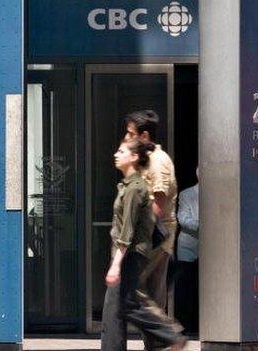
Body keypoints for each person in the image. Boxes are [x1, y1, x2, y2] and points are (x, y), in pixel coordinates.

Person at [101, 137, 186, 351]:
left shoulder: (134, 188)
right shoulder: (128, 185)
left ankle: (169, 335)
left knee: (129, 304)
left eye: (121, 152)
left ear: (134, 157)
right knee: (126, 304)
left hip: (131, 253)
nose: (116, 155)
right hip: (131, 252)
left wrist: (115, 264)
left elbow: (127, 230)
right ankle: (168, 336)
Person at [123, 110, 178, 310]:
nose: (126, 138)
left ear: (144, 136)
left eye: (130, 134)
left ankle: (164, 335)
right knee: (146, 289)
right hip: (149, 237)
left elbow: (159, 203)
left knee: (144, 290)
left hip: (156, 238)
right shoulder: (148, 160)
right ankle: (159, 337)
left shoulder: (158, 162)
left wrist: (141, 235)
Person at [175, 168, 199, 333]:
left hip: (213, 250)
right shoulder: (186, 194)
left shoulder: (220, 194)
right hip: (188, 248)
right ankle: (185, 325)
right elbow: (183, 219)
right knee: (185, 287)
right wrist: (204, 225)